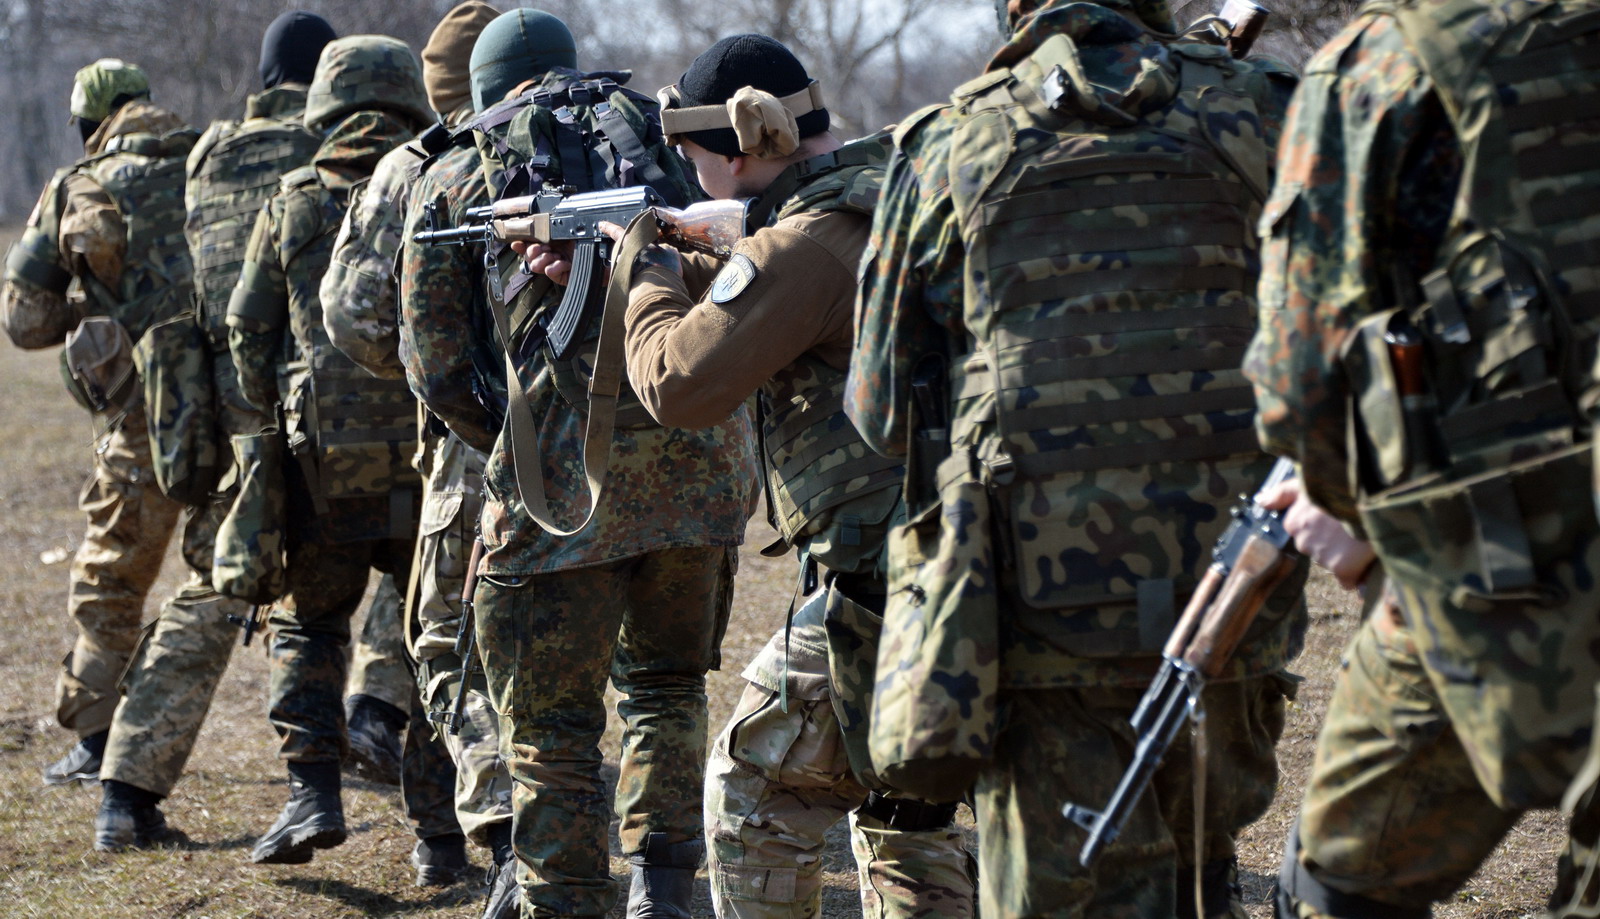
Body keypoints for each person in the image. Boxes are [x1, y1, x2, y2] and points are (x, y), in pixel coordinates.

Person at [846, 0, 1306, 914]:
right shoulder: (1264, 109)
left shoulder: (952, 141)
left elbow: (878, 408)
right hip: (1238, 583)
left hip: (1037, 615)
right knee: (1203, 870)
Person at [527, 33, 976, 919]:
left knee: (751, 790)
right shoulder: (882, 194)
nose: (692, 182)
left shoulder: (805, 241)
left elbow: (678, 384)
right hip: (952, 560)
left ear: (747, 140)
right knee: (903, 810)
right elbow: (772, 292)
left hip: (888, 586)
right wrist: (672, 258)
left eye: (696, 160)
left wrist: (644, 273)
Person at [399, 9, 760, 916]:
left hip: (558, 499)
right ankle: (665, 888)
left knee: (550, 728)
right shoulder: (669, 143)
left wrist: (516, 446)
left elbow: (437, 369)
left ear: (481, 94)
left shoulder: (450, 177)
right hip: (700, 481)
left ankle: (562, 899)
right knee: (667, 686)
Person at [1241, 0, 1600, 912]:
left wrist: (1363, 524)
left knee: (1336, 875)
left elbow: (1297, 383)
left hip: (1522, 547)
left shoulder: (1393, 62)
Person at [225, 34, 464, 873]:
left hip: (323, 458)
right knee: (435, 631)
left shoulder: (291, 201)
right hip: (431, 454)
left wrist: (262, 432)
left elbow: (246, 330)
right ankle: (440, 832)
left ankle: (312, 793)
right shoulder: (441, 182)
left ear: (323, 106)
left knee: (311, 622)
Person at [0, 60, 251, 850]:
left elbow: (23, 319)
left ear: (90, 122)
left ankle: (97, 742)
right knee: (233, 580)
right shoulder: (212, 156)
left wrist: (91, 300)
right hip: (233, 404)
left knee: (111, 578)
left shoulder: (79, 186)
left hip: (142, 416)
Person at [320, 0, 516, 898]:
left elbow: (351, 313)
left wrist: (427, 360)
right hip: (588, 447)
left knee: (440, 637)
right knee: (550, 643)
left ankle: (450, 836)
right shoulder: (589, 138)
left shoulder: (410, 170)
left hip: (466, 444)